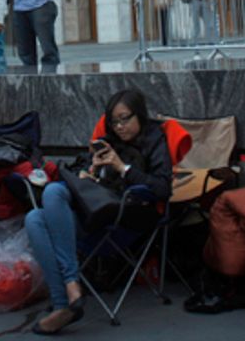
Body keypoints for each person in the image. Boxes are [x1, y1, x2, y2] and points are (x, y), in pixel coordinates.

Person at [25, 89, 174, 335]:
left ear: (140, 115)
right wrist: (89, 173)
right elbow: (88, 188)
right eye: (114, 121)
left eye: (125, 118)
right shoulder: (107, 143)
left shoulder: (155, 140)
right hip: (94, 213)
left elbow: (162, 188)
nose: (119, 126)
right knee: (37, 214)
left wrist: (122, 168)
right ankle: (66, 300)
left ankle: (67, 292)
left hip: (127, 218)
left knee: (50, 198)